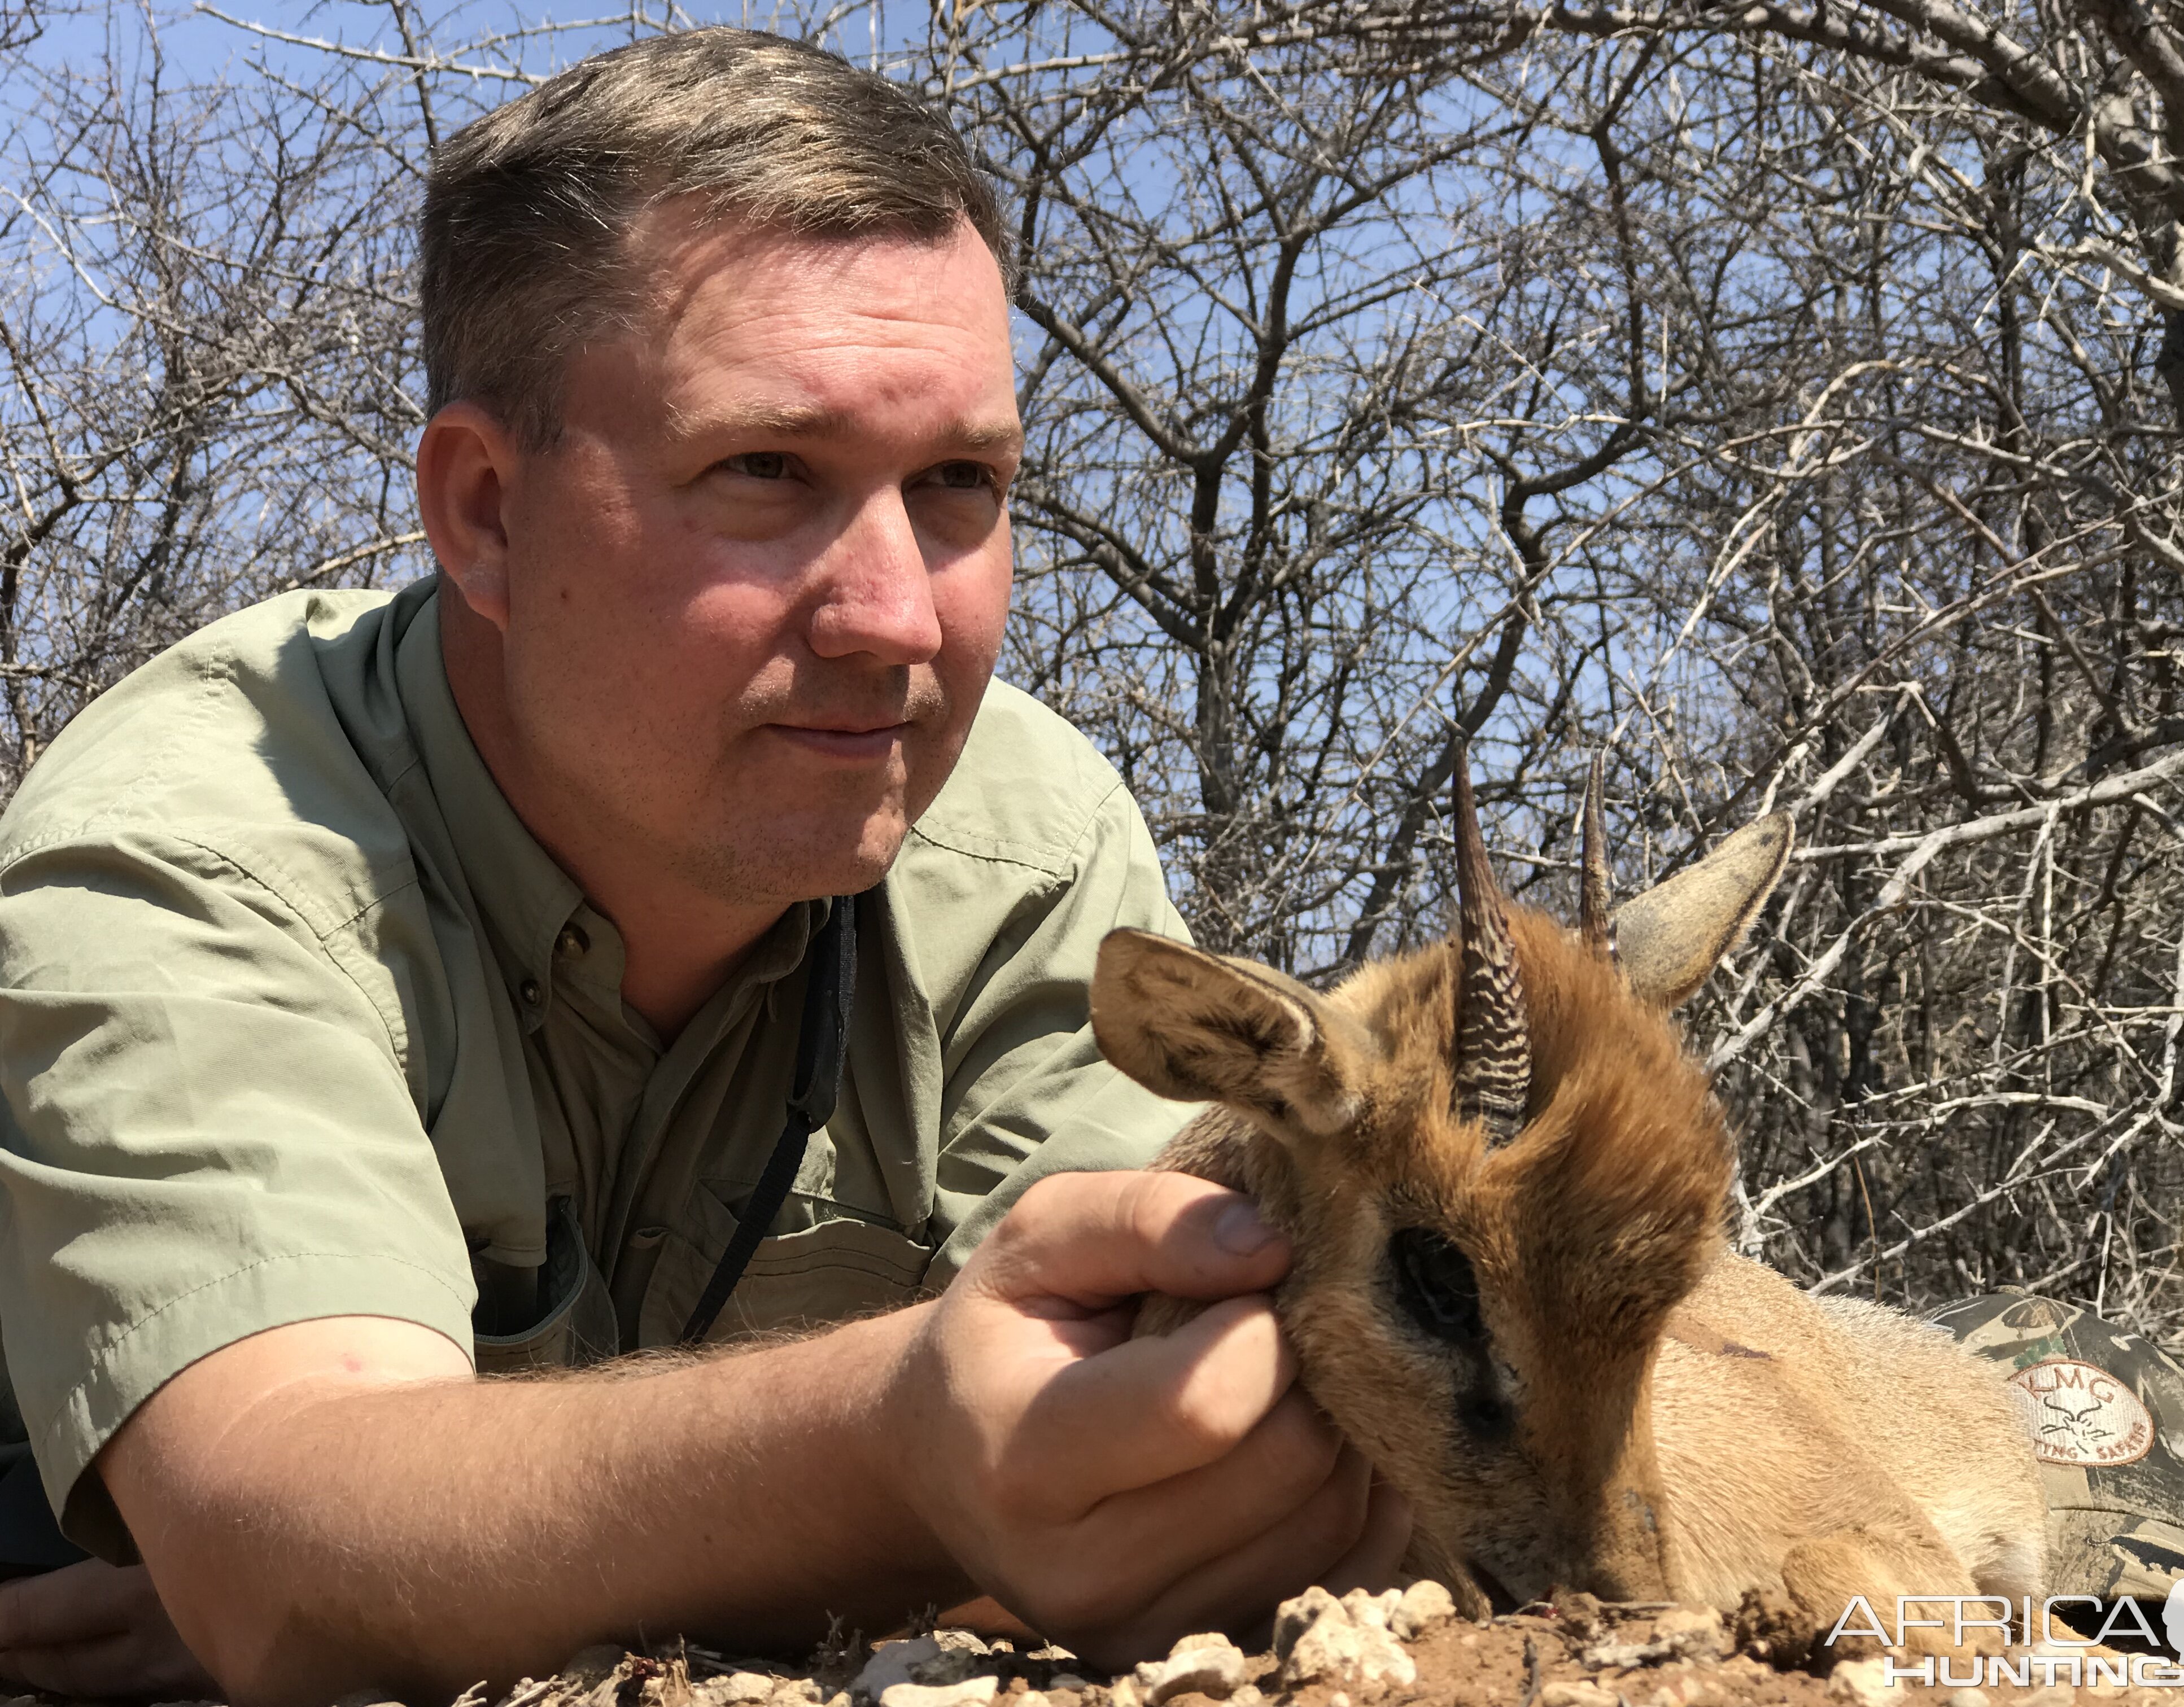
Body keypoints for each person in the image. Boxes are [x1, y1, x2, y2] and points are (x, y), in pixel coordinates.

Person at [0, 30, 1409, 1705]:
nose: (898, 617)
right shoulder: (205, 836)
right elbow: (291, 1558)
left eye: (961, 483)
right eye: (767, 475)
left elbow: (1179, 1461)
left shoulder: (1020, 833)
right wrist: (902, 1470)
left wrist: (465, 1581)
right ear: (485, 514)